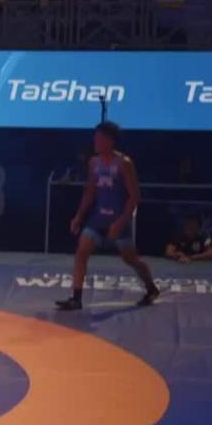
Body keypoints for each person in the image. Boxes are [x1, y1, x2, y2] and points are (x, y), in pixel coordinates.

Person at [56, 121, 160, 310]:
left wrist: (121, 222)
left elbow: (134, 196)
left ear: (110, 141)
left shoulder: (124, 163)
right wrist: (79, 216)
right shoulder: (94, 163)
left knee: (130, 259)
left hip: (118, 218)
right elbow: (90, 192)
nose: (95, 141)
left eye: (99, 138)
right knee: (81, 253)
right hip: (98, 218)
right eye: (95, 138)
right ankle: (76, 298)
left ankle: (151, 288)